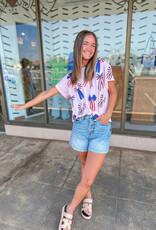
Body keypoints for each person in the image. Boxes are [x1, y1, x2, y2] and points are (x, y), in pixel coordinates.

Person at [11, 30, 117, 230]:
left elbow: (113, 91)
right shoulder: (71, 77)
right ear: (78, 46)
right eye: (86, 44)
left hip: (101, 126)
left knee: (88, 177)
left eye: (93, 45)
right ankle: (88, 195)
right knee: (84, 164)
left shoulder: (102, 65)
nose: (89, 48)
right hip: (80, 126)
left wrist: (107, 114)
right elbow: (47, 92)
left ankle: (68, 210)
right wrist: (26, 105)